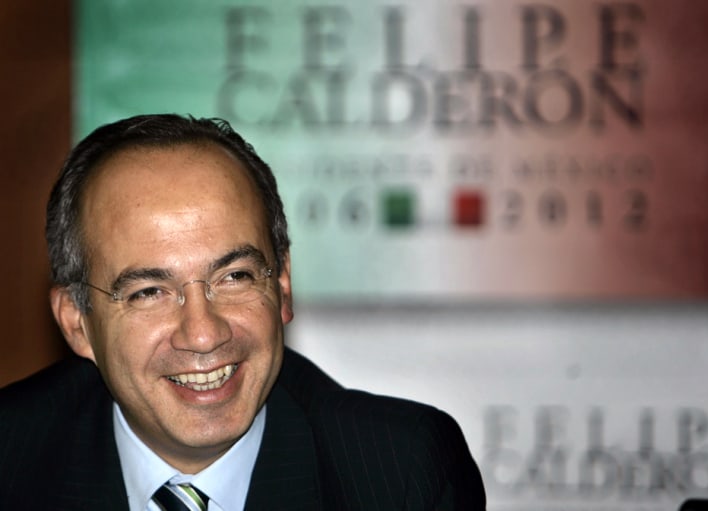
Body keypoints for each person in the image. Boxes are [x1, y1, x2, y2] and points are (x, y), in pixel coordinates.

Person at [0, 114, 486, 510]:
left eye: (234, 277)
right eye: (149, 291)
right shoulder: (11, 458)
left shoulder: (400, 473)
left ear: (282, 285)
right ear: (76, 323)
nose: (204, 334)